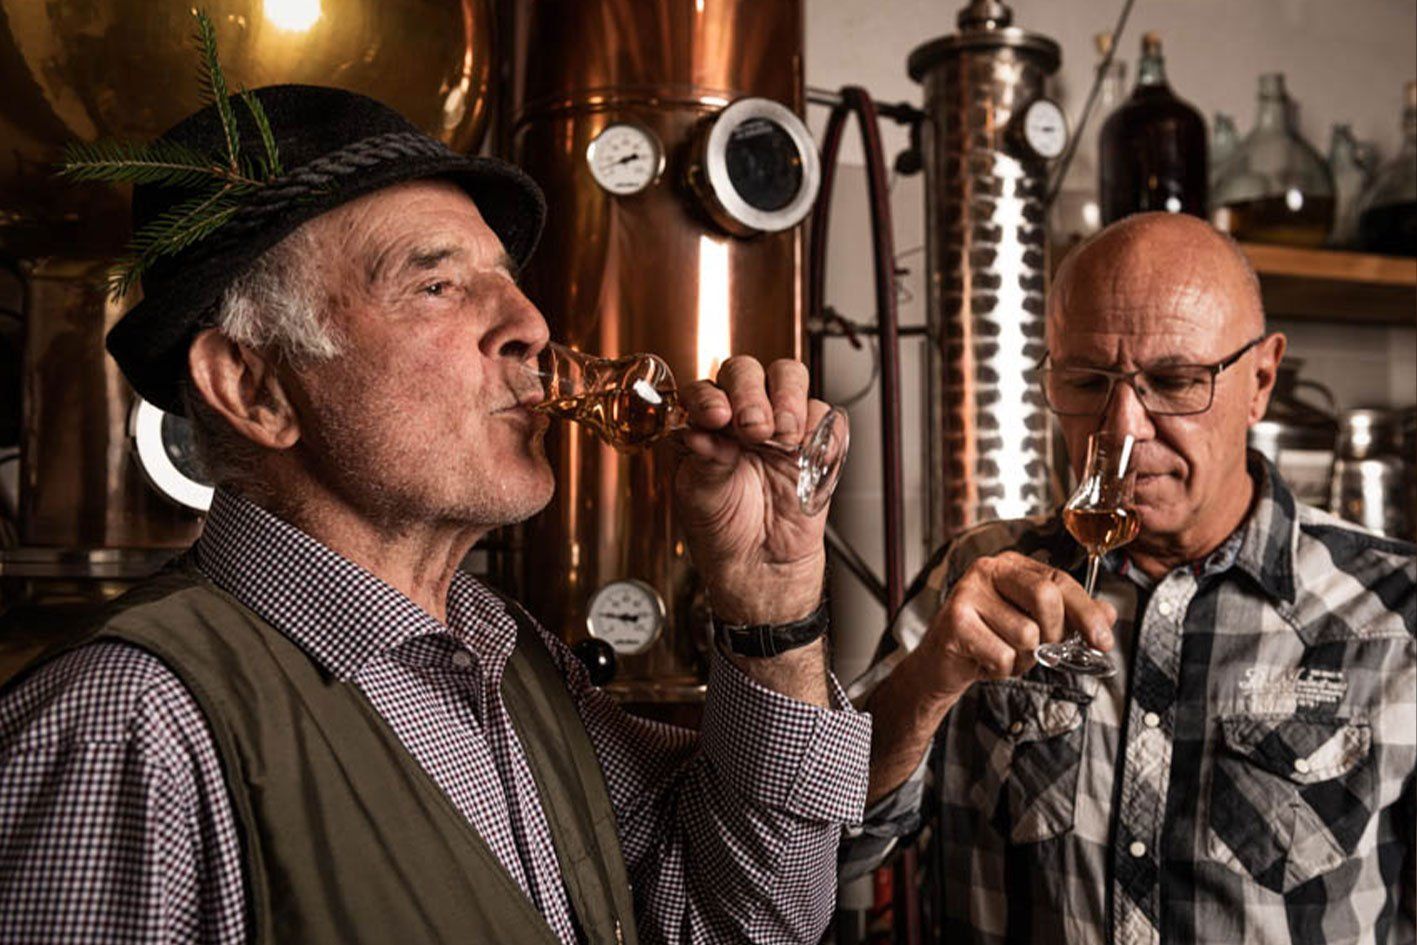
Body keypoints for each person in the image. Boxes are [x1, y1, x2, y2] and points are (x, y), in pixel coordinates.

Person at [0, 85, 870, 945]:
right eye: (438, 285)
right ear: (253, 387)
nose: (531, 324)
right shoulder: (127, 728)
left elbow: (741, 919)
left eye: (508, 282)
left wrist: (769, 606)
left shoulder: (509, 652)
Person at [846, 213, 1415, 942]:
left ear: (1261, 380)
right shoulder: (978, 576)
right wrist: (926, 683)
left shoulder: (1392, 609)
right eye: (1086, 380)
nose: (1120, 428)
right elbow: (828, 850)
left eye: (1174, 382)